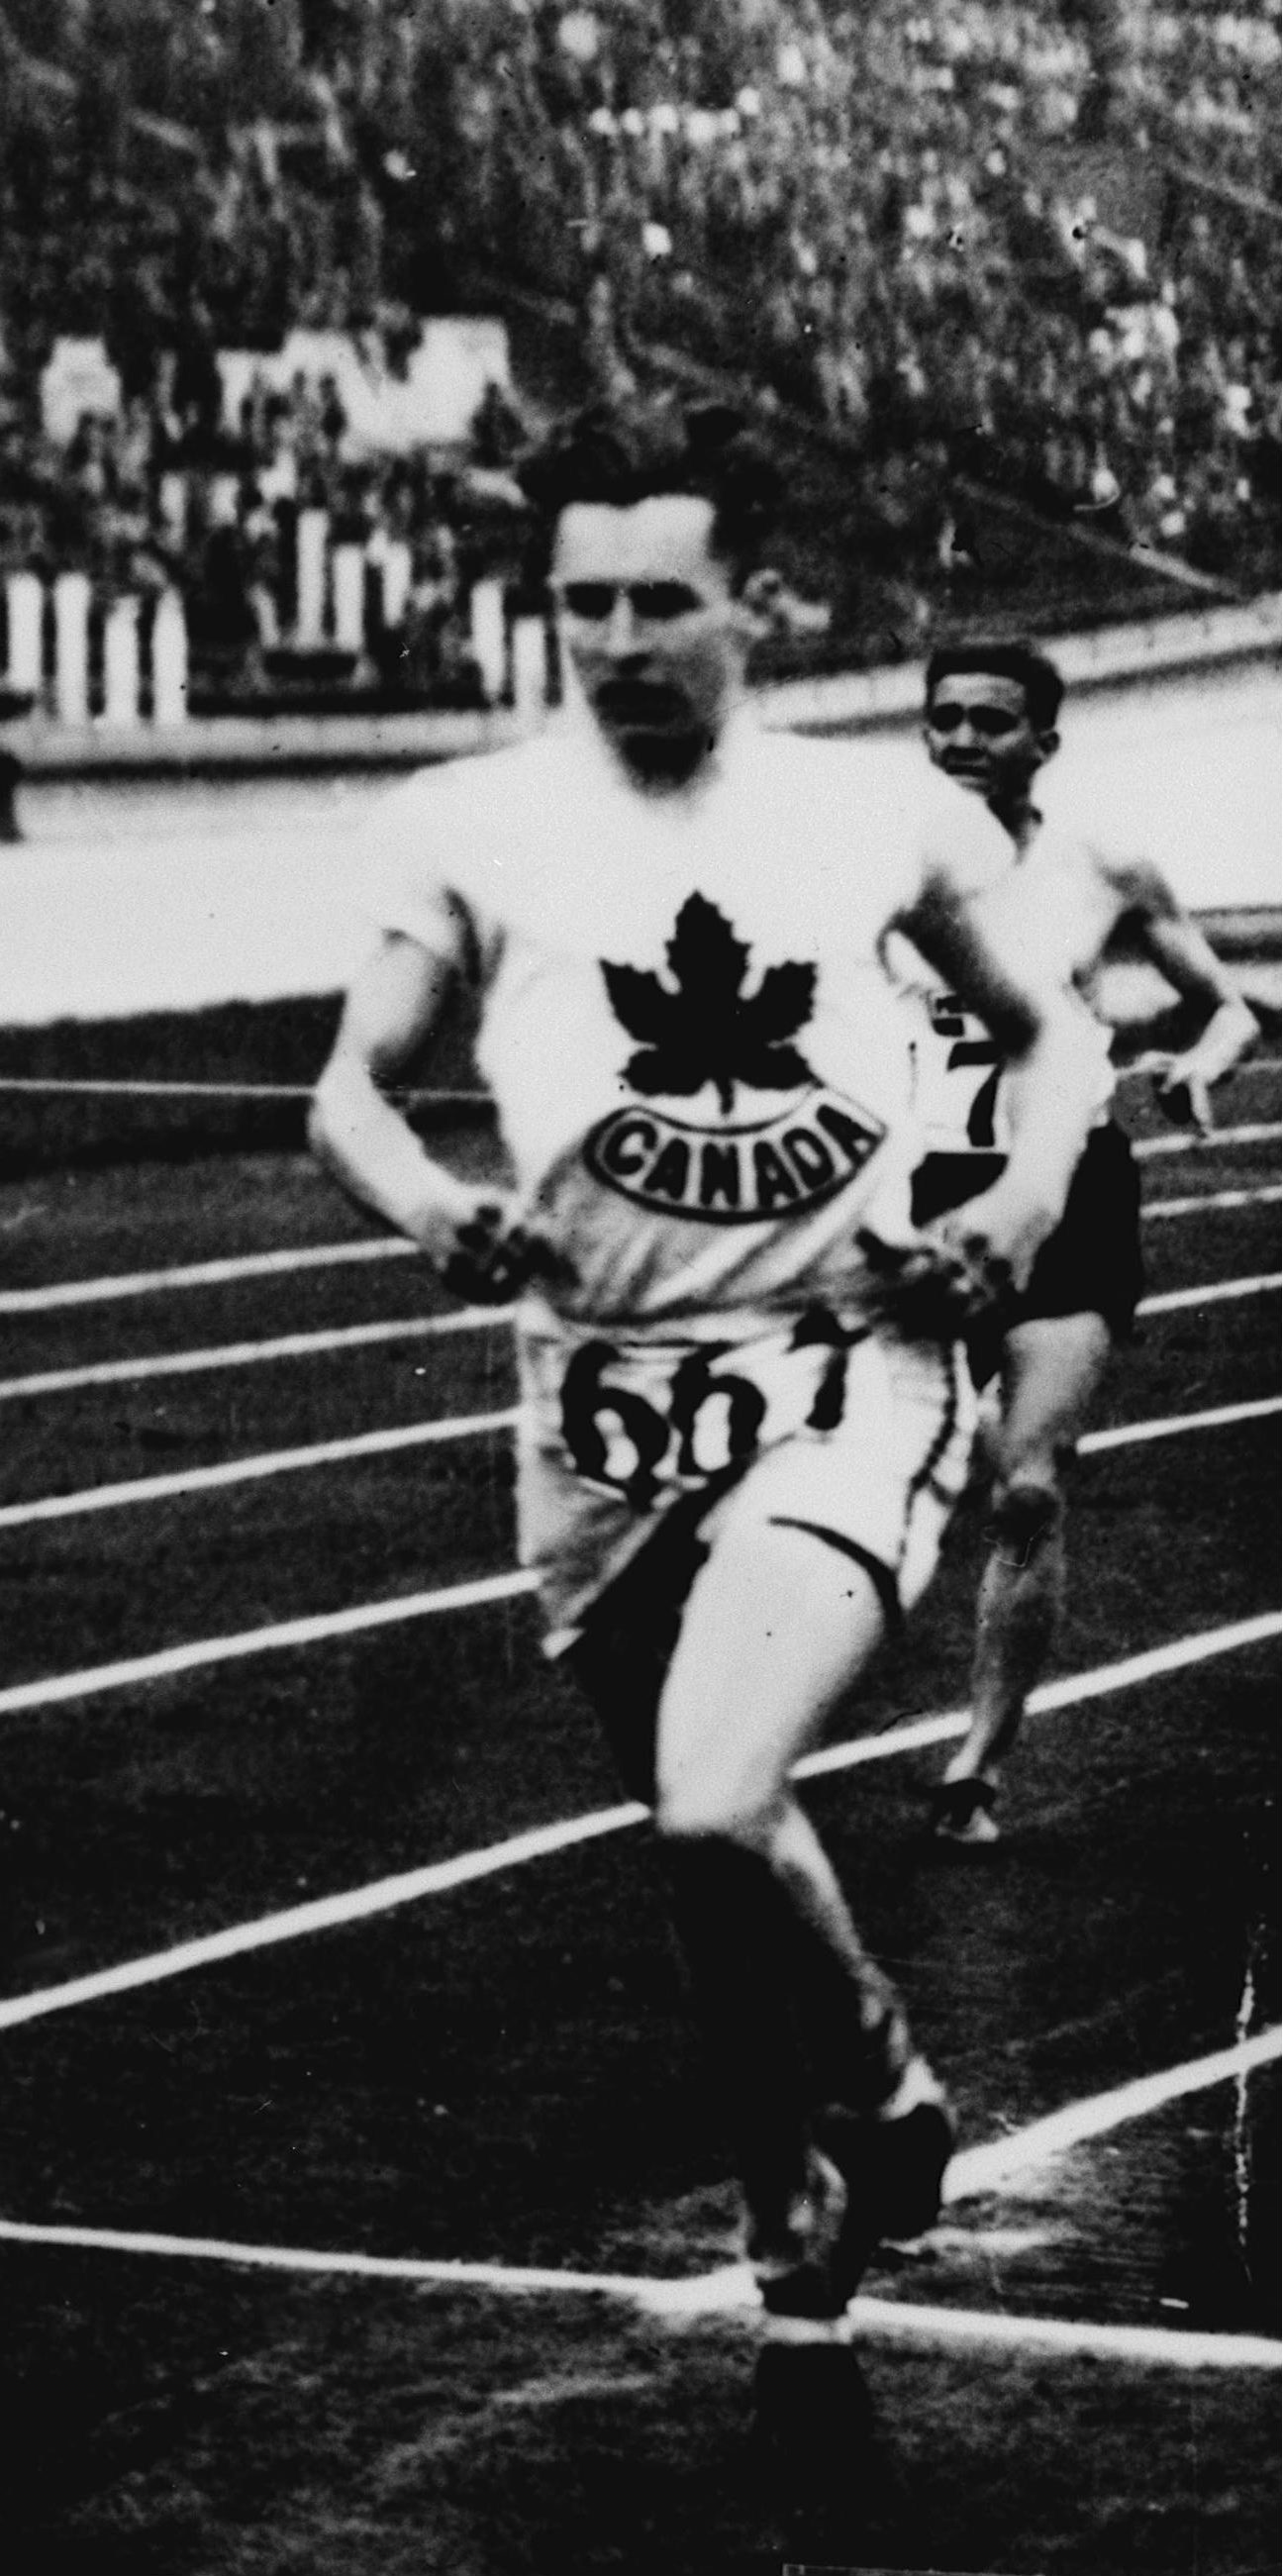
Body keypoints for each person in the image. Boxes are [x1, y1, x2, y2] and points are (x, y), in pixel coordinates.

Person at [305, 405, 1110, 2344]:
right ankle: (790, 2186)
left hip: (839, 1360)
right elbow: (347, 1091)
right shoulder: (465, 821)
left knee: (714, 1791)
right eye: (583, 601)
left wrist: (1006, 1208)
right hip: (591, 1401)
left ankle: (896, 2099)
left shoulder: (872, 814)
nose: (620, 638)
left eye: (663, 597)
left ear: (754, 601)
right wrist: (431, 1203)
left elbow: (1060, 1040)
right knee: (703, 1846)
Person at [905, 639, 1260, 1844]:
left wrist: (1199, 1066)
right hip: (911, 1197)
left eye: (990, 724)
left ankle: (977, 1766)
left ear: (1043, 743)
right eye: (943, 719)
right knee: (921, 1459)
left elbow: (1232, 1006)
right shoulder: (868, 866)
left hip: (1066, 1188)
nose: (961, 742)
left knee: (1029, 1492)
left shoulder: (1100, 867)